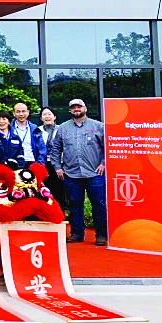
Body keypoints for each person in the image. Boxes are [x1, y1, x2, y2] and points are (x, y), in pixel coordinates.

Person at [48, 98, 107, 246]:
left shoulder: (98, 126)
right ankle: (76, 233)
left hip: (95, 173)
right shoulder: (63, 128)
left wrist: (104, 163)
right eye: (73, 107)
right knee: (74, 205)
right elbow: (55, 149)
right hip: (72, 173)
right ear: (70, 110)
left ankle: (101, 234)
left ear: (85, 108)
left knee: (99, 204)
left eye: (79, 107)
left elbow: (107, 146)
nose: (76, 109)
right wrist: (57, 167)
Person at [39, 107, 67, 207]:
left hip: (60, 164)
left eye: (49, 114)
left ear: (54, 116)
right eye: (44, 114)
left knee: (60, 190)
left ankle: (61, 211)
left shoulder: (62, 129)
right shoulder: (37, 131)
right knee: (45, 190)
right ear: (41, 118)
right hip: (43, 163)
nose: (47, 117)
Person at [9, 102, 47, 168]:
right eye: (18, 112)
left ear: (28, 112)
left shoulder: (34, 128)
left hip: (32, 162)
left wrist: (40, 165)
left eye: (23, 111)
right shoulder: (9, 128)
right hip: (14, 163)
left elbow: (41, 149)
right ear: (14, 113)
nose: (21, 114)